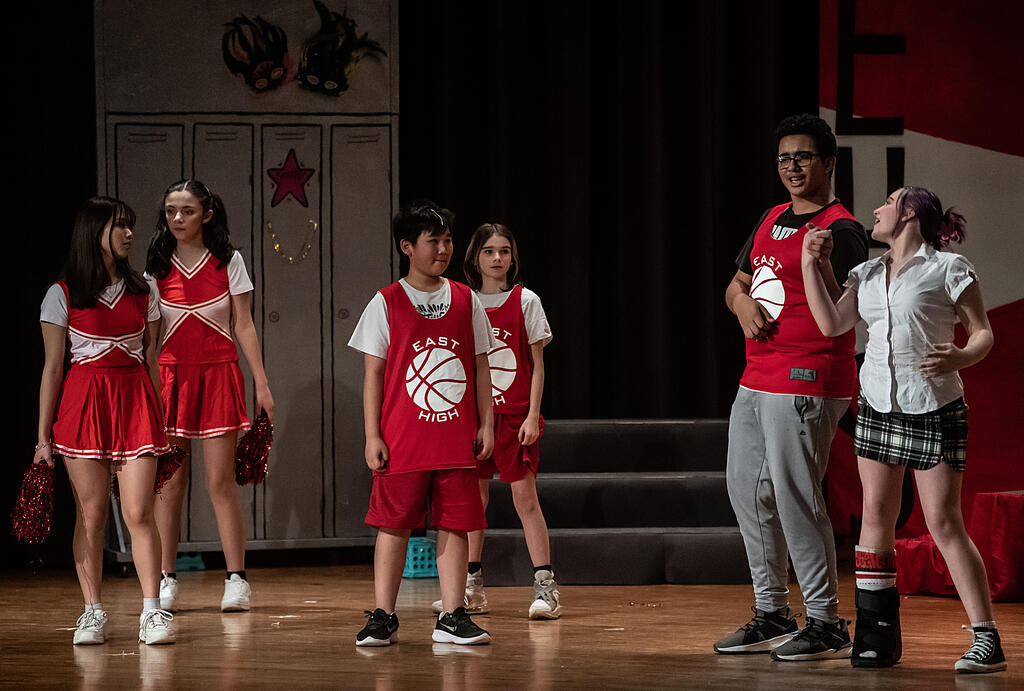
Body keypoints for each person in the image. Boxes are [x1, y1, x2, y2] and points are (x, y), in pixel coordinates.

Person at [801, 186, 1006, 674]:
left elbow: (982, 332)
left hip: (933, 406)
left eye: (888, 202)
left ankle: (987, 639)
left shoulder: (948, 269)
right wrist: (811, 264)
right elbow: (831, 323)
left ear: (910, 213)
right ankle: (876, 636)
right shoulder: (868, 273)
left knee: (943, 522)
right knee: (875, 516)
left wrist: (961, 356)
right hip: (878, 405)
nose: (876, 209)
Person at [714, 114, 868, 661]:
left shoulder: (841, 230)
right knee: (745, 491)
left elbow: (846, 309)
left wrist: (819, 264)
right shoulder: (771, 216)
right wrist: (741, 304)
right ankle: (772, 611)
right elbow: (736, 283)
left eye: (803, 156)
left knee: (795, 497)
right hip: (757, 375)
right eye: (784, 158)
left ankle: (826, 621)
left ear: (829, 163)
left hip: (807, 375)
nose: (792, 166)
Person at [348, 200, 495, 646]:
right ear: (407, 247)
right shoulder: (386, 302)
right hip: (403, 439)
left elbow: (481, 367)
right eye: (434, 241)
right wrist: (372, 435)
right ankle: (384, 616)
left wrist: (486, 425)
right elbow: (373, 374)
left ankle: (452, 615)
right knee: (394, 525)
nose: (444, 249)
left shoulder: (466, 299)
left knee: (455, 524)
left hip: (456, 438)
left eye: (448, 240)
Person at [36, 196, 175, 645]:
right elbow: (53, 369)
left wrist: (161, 419)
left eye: (130, 225)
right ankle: (92, 611)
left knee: (138, 512)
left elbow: (151, 360)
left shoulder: (144, 289)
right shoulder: (62, 293)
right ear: (93, 232)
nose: (129, 234)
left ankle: (152, 611)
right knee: (92, 514)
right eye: (119, 226)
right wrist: (42, 438)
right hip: (83, 406)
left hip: (135, 404)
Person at [145, 180, 275, 613]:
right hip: (171, 379)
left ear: (207, 214)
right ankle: (166, 578)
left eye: (187, 211)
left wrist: (261, 382)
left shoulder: (228, 260)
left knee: (220, 481)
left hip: (219, 375)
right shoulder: (157, 264)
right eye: (170, 211)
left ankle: (237, 579)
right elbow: (150, 339)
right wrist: (146, 388)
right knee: (169, 483)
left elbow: (244, 324)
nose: (177, 219)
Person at [428, 222, 558, 618]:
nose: (497, 258)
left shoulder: (526, 301)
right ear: (475, 258)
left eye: (504, 251)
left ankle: (546, 587)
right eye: (489, 251)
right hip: (475, 418)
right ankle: (472, 586)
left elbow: (537, 365)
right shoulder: (463, 301)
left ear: (513, 258)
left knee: (525, 499)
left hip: (515, 417)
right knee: (473, 501)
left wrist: (532, 414)